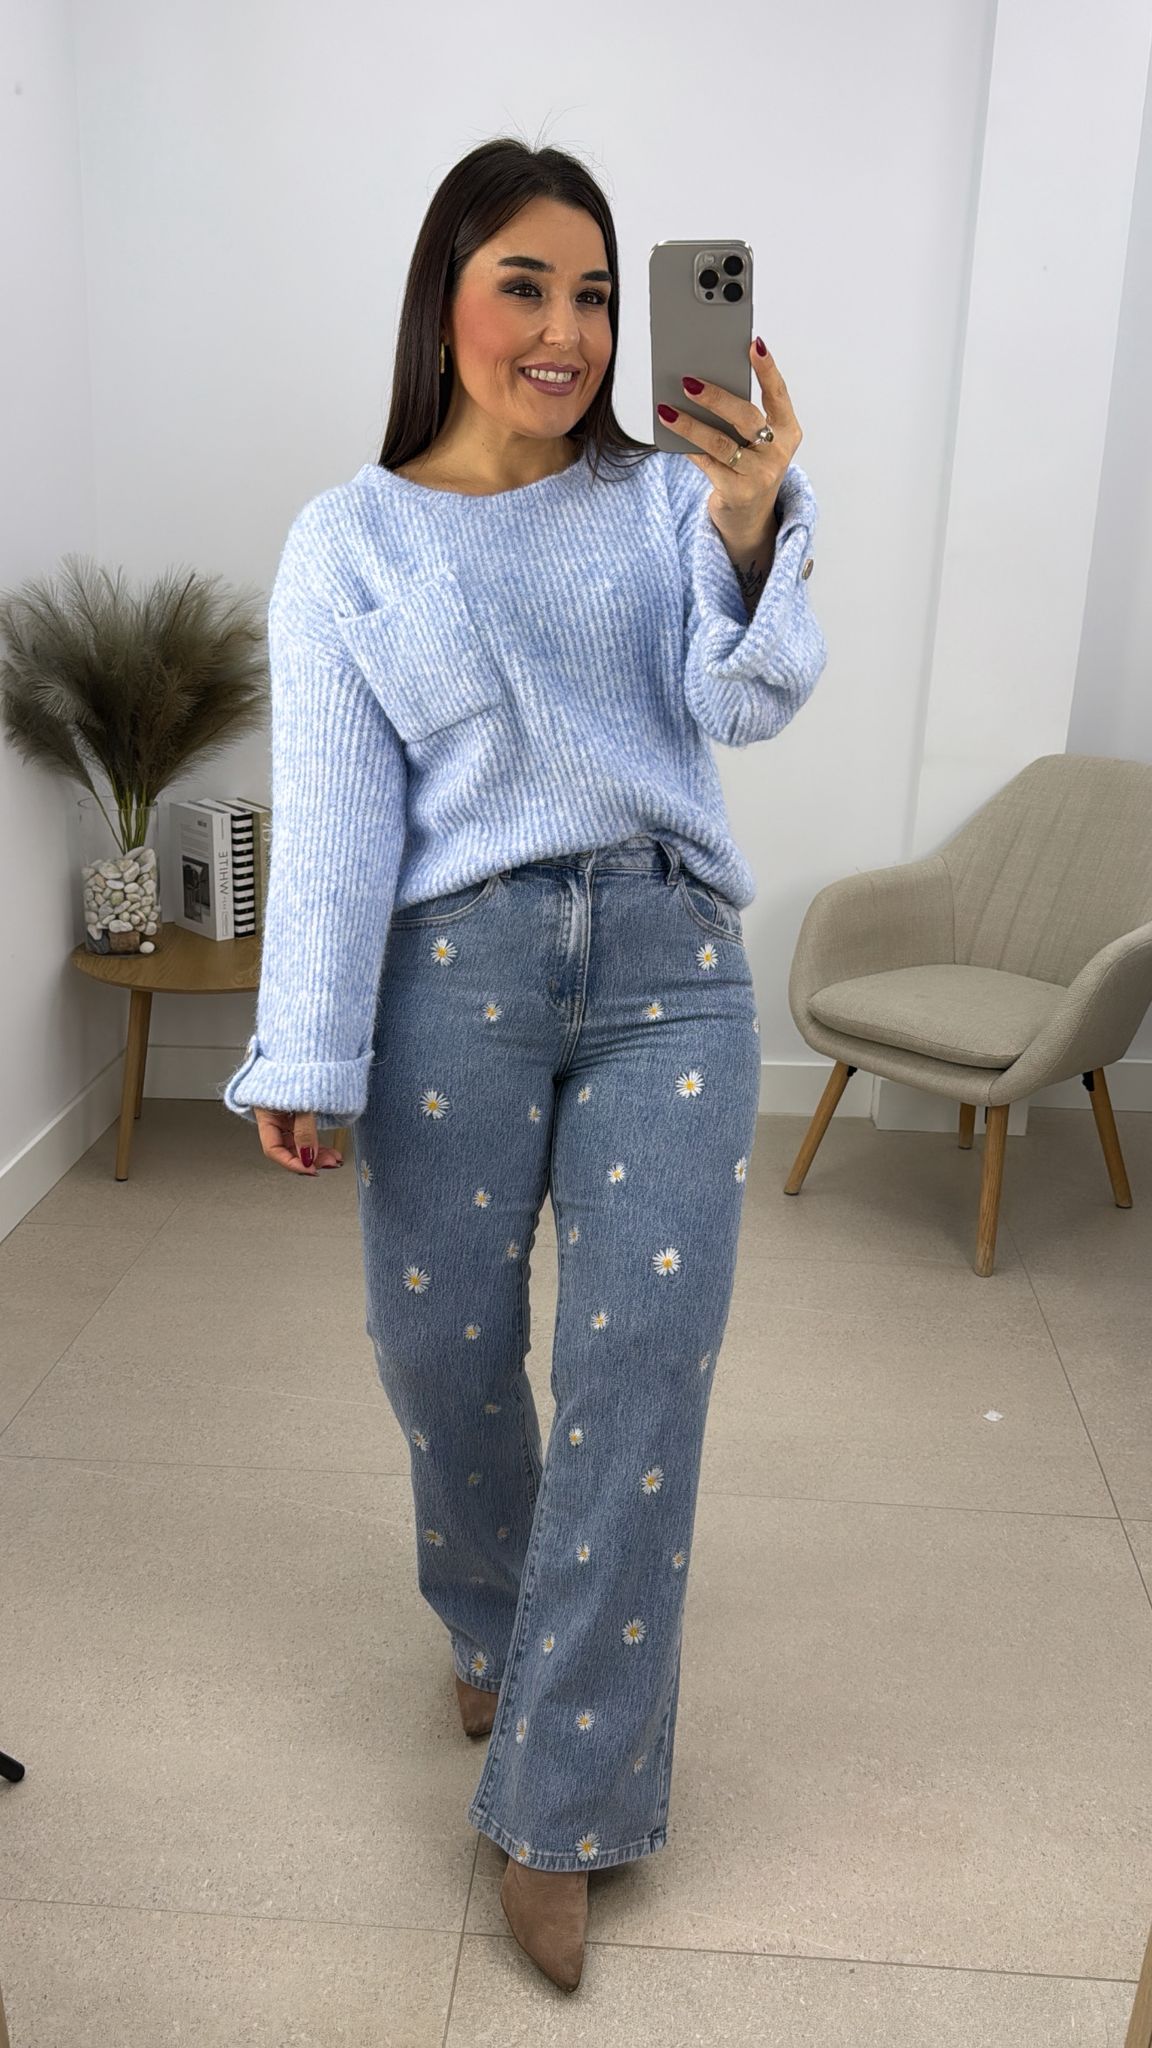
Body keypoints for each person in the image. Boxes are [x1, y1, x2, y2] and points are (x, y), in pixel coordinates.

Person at [220, 135, 827, 1993]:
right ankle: (492, 1621)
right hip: (451, 977)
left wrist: (751, 524)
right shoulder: (349, 541)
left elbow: (747, 699)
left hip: (668, 966)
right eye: (526, 287)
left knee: (640, 1377)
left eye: (596, 296)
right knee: (442, 1356)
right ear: (447, 299)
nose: (566, 332)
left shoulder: (666, 498)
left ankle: (562, 1809)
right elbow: (338, 821)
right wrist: (305, 1047)